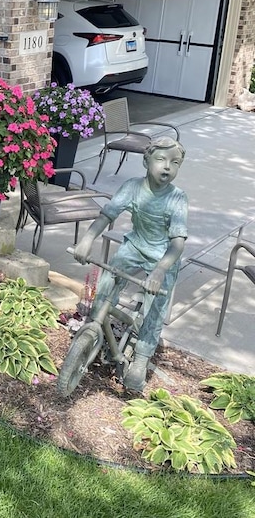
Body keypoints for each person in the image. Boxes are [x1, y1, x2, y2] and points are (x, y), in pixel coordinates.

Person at [73, 136, 188, 391]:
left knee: (156, 308)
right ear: (146, 161)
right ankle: (94, 328)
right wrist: (87, 239)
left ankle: (141, 358)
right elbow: (107, 214)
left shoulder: (177, 198)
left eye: (175, 163)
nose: (167, 167)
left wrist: (159, 270)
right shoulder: (133, 186)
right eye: (160, 160)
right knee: (108, 280)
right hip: (134, 246)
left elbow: (178, 243)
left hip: (162, 257)